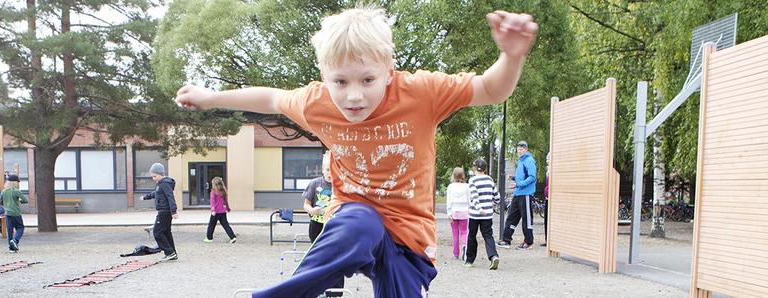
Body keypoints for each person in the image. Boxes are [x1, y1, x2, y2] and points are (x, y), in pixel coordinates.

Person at [174, 6, 537, 296]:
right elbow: (269, 97)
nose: (354, 96)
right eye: (340, 81)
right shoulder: (316, 102)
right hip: (354, 220)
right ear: (324, 74)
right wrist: (210, 98)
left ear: (389, 71)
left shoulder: (421, 93)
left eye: (367, 80)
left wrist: (512, 56)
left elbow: (490, 89)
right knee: (361, 222)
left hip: (409, 240)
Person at [301, 151, 344, 297]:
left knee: (336, 257)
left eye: (333, 170)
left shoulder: (342, 185)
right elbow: (306, 205)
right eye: (327, 170)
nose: (330, 173)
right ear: (322, 169)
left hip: (335, 227)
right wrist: (313, 210)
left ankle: (336, 292)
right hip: (317, 226)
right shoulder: (314, 184)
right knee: (319, 258)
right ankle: (317, 288)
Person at [500, 140, 538, 250]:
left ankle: (529, 242)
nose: (519, 151)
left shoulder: (529, 160)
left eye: (521, 149)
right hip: (518, 193)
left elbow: (532, 177)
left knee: (527, 219)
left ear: (526, 149)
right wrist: (513, 177)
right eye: (518, 149)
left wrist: (518, 184)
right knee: (512, 217)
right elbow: (522, 177)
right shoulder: (521, 161)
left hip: (526, 194)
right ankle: (506, 240)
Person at [465, 158, 500, 269]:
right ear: (485, 168)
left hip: (475, 214)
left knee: (471, 236)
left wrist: (479, 209)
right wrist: (493, 205)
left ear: (474, 168)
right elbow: (497, 197)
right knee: (488, 236)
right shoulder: (489, 180)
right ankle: (493, 256)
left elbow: (474, 197)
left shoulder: (473, 180)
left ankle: (469, 261)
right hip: (488, 215)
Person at [141, 163, 179, 262]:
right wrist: (146, 197)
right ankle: (172, 253)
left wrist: (174, 211)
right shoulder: (161, 184)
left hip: (164, 212)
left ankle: (169, 252)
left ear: (161, 174)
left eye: (155, 176)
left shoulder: (164, 183)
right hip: (164, 211)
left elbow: (170, 197)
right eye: (152, 176)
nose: (153, 178)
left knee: (157, 232)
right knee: (166, 233)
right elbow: (156, 193)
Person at [445, 167, 470, 261]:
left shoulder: (451, 187)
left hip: (454, 212)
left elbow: (449, 201)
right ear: (463, 175)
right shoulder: (467, 186)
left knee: (455, 233)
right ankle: (464, 246)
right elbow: (469, 200)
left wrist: (449, 213)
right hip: (464, 212)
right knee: (464, 232)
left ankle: (456, 253)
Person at [0, 174, 27, 252]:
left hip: (7, 213)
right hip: (16, 213)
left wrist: (6, 205)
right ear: (15, 182)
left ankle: (11, 248)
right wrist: (18, 201)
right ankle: (15, 240)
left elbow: (0, 201)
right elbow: (25, 200)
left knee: (9, 230)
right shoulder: (17, 191)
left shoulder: (4, 191)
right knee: (20, 228)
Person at [205, 176, 237, 243]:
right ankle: (232, 237)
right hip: (223, 211)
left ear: (214, 184)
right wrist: (228, 208)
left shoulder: (213, 192)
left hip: (215, 212)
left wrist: (213, 210)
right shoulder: (224, 191)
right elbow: (226, 201)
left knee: (211, 225)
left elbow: (212, 201)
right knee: (226, 225)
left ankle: (209, 238)